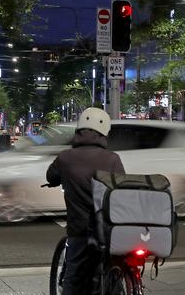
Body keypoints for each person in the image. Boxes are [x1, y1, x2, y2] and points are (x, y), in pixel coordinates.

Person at [46, 107, 125, 295]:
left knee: (73, 278)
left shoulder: (65, 157)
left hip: (80, 230)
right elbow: (121, 187)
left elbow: (51, 176)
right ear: (104, 132)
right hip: (110, 229)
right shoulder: (113, 159)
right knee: (113, 269)